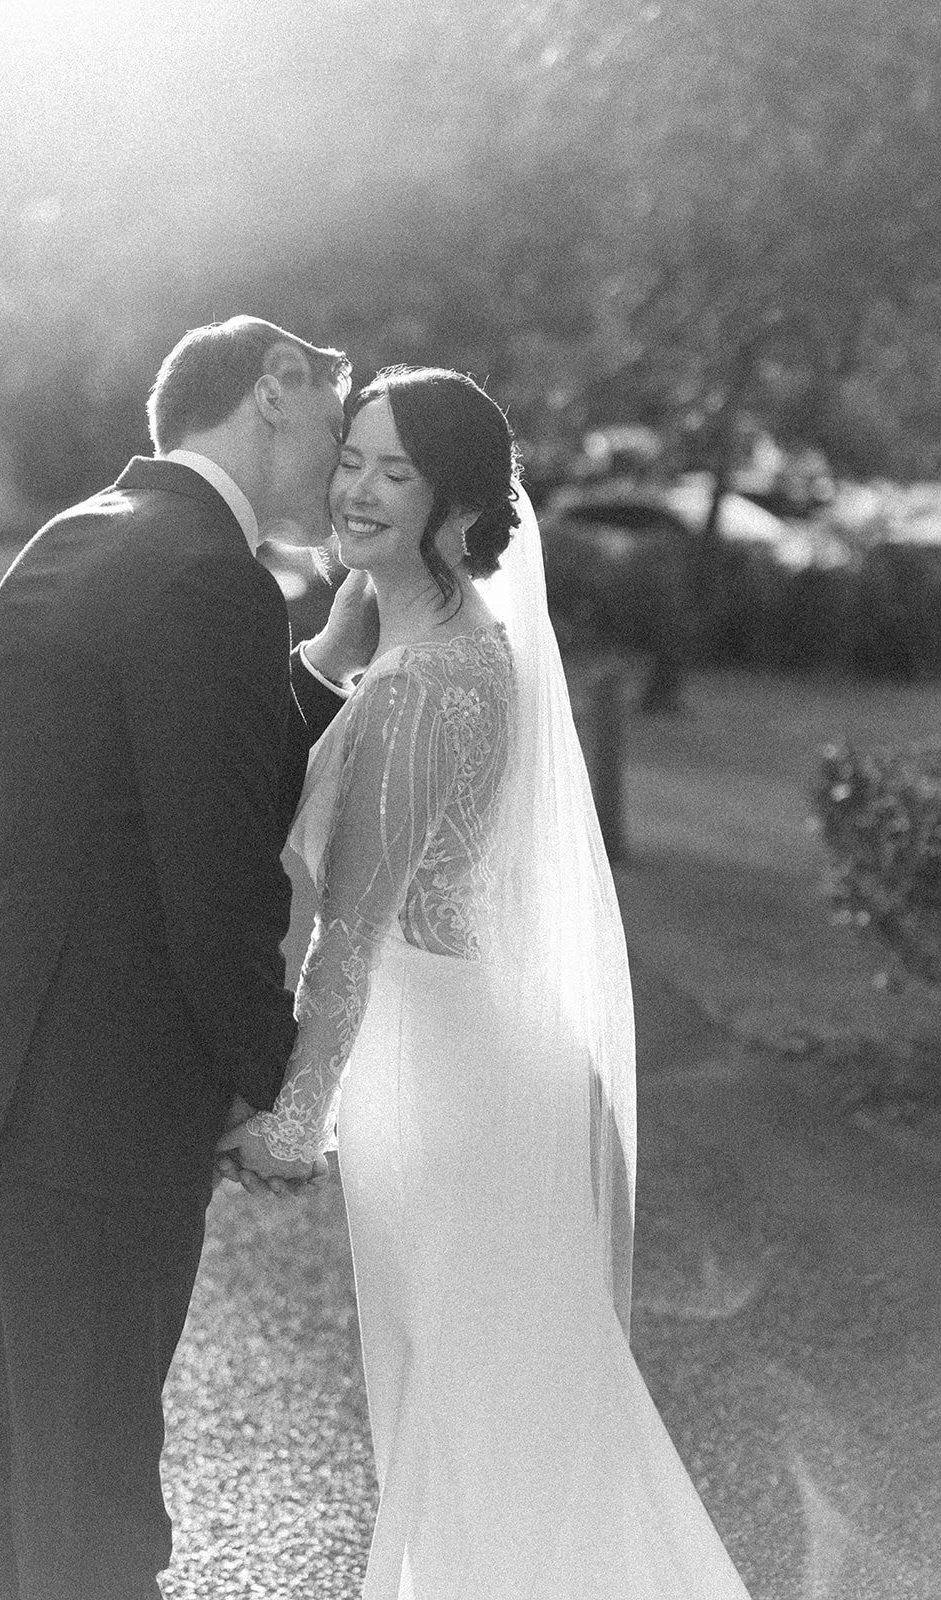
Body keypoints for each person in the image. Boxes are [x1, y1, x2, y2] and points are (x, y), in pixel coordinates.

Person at [218, 367, 753, 1596]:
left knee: (479, 1409)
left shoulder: (423, 684)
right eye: (348, 456)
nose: (352, 486)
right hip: (466, 1053)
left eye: (390, 471)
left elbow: (349, 936)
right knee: (484, 1403)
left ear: (451, 503)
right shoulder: (426, 641)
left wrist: (295, 1119)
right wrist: (339, 634)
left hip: (449, 1084)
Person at [0, 314, 377, 1600]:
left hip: (22, 1057)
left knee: (13, 1429)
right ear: (273, 392)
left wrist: (323, 666)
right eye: (335, 427)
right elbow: (213, 870)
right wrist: (270, 1079)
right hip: (115, 1084)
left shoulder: (75, 539)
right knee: (97, 1462)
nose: (340, 468)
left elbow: (157, 777)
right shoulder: (212, 578)